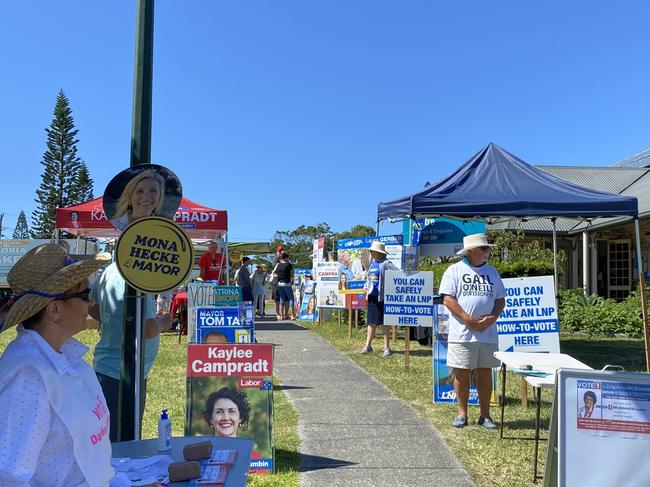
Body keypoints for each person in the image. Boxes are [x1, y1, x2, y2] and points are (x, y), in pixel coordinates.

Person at [0, 244, 114, 485]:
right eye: (84, 295)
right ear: (55, 309)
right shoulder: (28, 377)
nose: (90, 303)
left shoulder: (66, 359)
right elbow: (10, 478)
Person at [89, 261, 172, 441]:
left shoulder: (109, 270)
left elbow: (92, 305)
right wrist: (164, 322)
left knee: (110, 435)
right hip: (125, 373)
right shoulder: (136, 275)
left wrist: (112, 319)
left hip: (112, 367)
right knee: (125, 441)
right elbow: (147, 328)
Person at [439, 233, 506, 430]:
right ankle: (462, 413)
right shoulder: (454, 271)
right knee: (461, 372)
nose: (487, 252)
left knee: (486, 373)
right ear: (471, 251)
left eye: (487, 248)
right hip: (462, 332)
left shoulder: (493, 272)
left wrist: (492, 318)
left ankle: (485, 415)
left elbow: (500, 300)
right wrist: (467, 318)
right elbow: (448, 299)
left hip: (488, 333)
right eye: (484, 248)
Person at [361, 241, 398, 357]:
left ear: (379, 252)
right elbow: (370, 279)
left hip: (382, 298)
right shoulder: (372, 264)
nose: (371, 253)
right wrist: (365, 286)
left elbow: (397, 273)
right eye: (371, 251)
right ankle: (368, 346)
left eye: (373, 251)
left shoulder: (386, 263)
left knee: (384, 322)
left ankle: (386, 347)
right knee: (371, 321)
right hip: (371, 297)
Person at [274, 251, 295, 320]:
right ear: (285, 257)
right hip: (287, 283)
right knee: (291, 298)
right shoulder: (289, 265)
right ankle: (292, 315)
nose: (288, 259)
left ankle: (282, 316)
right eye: (288, 257)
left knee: (282, 299)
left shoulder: (279, 265)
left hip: (280, 284)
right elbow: (292, 274)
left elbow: (275, 273)